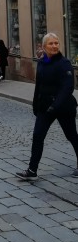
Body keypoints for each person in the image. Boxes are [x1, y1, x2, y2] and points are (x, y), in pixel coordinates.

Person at [16, 32, 78, 181]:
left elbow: (68, 87)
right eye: (51, 43)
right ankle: (32, 170)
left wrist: (55, 106)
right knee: (38, 136)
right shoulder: (42, 63)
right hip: (45, 107)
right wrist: (35, 104)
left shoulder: (64, 63)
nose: (54, 46)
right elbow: (39, 85)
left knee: (71, 136)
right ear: (44, 47)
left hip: (63, 107)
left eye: (56, 43)